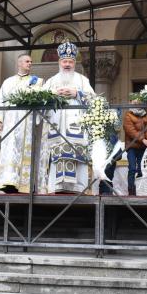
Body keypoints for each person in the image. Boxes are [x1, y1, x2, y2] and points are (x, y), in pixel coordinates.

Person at [0, 53, 48, 194]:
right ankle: (8, 182)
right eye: (27, 61)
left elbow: (43, 103)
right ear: (19, 63)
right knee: (10, 151)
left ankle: (26, 185)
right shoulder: (8, 82)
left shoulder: (38, 82)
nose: (30, 63)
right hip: (11, 123)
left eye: (31, 61)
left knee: (27, 151)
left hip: (29, 123)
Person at [44, 40, 96, 193]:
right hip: (56, 127)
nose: (67, 64)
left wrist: (77, 93)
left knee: (77, 154)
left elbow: (94, 101)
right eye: (64, 61)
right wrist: (53, 94)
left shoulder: (82, 80)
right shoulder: (51, 81)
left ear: (74, 63)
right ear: (59, 62)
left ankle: (79, 188)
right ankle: (56, 187)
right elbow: (41, 101)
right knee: (57, 154)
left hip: (77, 128)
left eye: (70, 62)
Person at [123, 97, 147, 195]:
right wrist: (143, 140)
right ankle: (131, 190)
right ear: (130, 102)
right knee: (132, 168)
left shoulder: (145, 115)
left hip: (142, 147)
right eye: (134, 101)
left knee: (141, 168)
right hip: (131, 146)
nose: (136, 103)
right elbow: (130, 131)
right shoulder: (128, 115)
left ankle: (140, 190)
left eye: (138, 101)